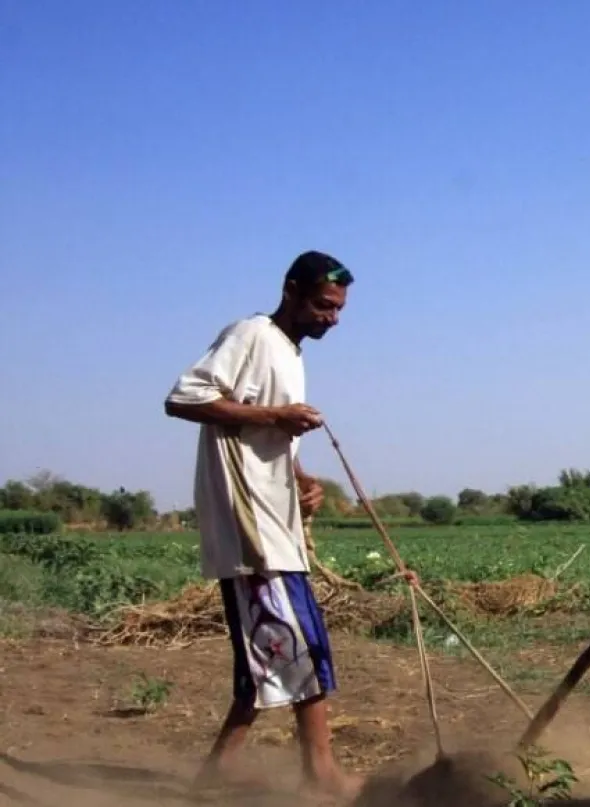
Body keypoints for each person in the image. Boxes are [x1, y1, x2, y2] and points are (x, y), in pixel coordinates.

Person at [164, 250, 364, 802]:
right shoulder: (252, 334)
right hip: (251, 527)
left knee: (278, 647)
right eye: (324, 305)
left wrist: (299, 476)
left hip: (276, 521)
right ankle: (319, 773)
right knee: (298, 642)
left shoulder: (290, 354)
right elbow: (185, 398)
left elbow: (268, 435)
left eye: (339, 309)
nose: (333, 318)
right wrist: (276, 417)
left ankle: (217, 775)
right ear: (291, 291)